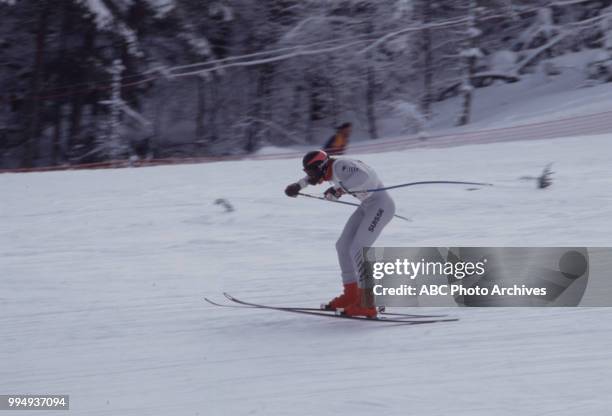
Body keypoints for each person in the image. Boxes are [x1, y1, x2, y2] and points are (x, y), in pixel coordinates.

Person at [284, 150, 395, 318]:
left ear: (321, 166)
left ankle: (368, 303)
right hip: (367, 206)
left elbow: (364, 177)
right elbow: (312, 179)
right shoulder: (328, 168)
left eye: (312, 172)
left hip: (381, 206)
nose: (311, 176)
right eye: (308, 172)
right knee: (343, 246)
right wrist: (298, 185)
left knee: (358, 249)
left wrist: (338, 190)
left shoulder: (341, 166)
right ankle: (351, 294)